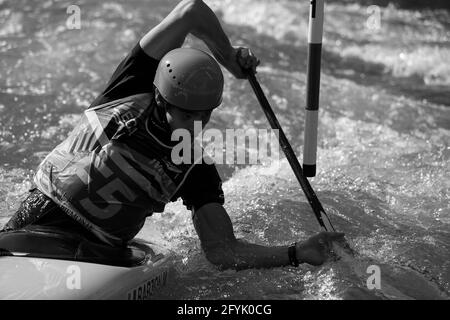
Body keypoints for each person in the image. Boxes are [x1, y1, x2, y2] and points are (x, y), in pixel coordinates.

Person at [1, 0, 345, 269]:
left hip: (98, 255)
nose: (196, 124)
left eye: (204, 115)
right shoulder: (128, 88)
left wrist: (297, 252)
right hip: (35, 220)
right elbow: (191, 11)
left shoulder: (195, 168)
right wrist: (229, 58)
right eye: (186, 114)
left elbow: (222, 251)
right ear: (161, 99)